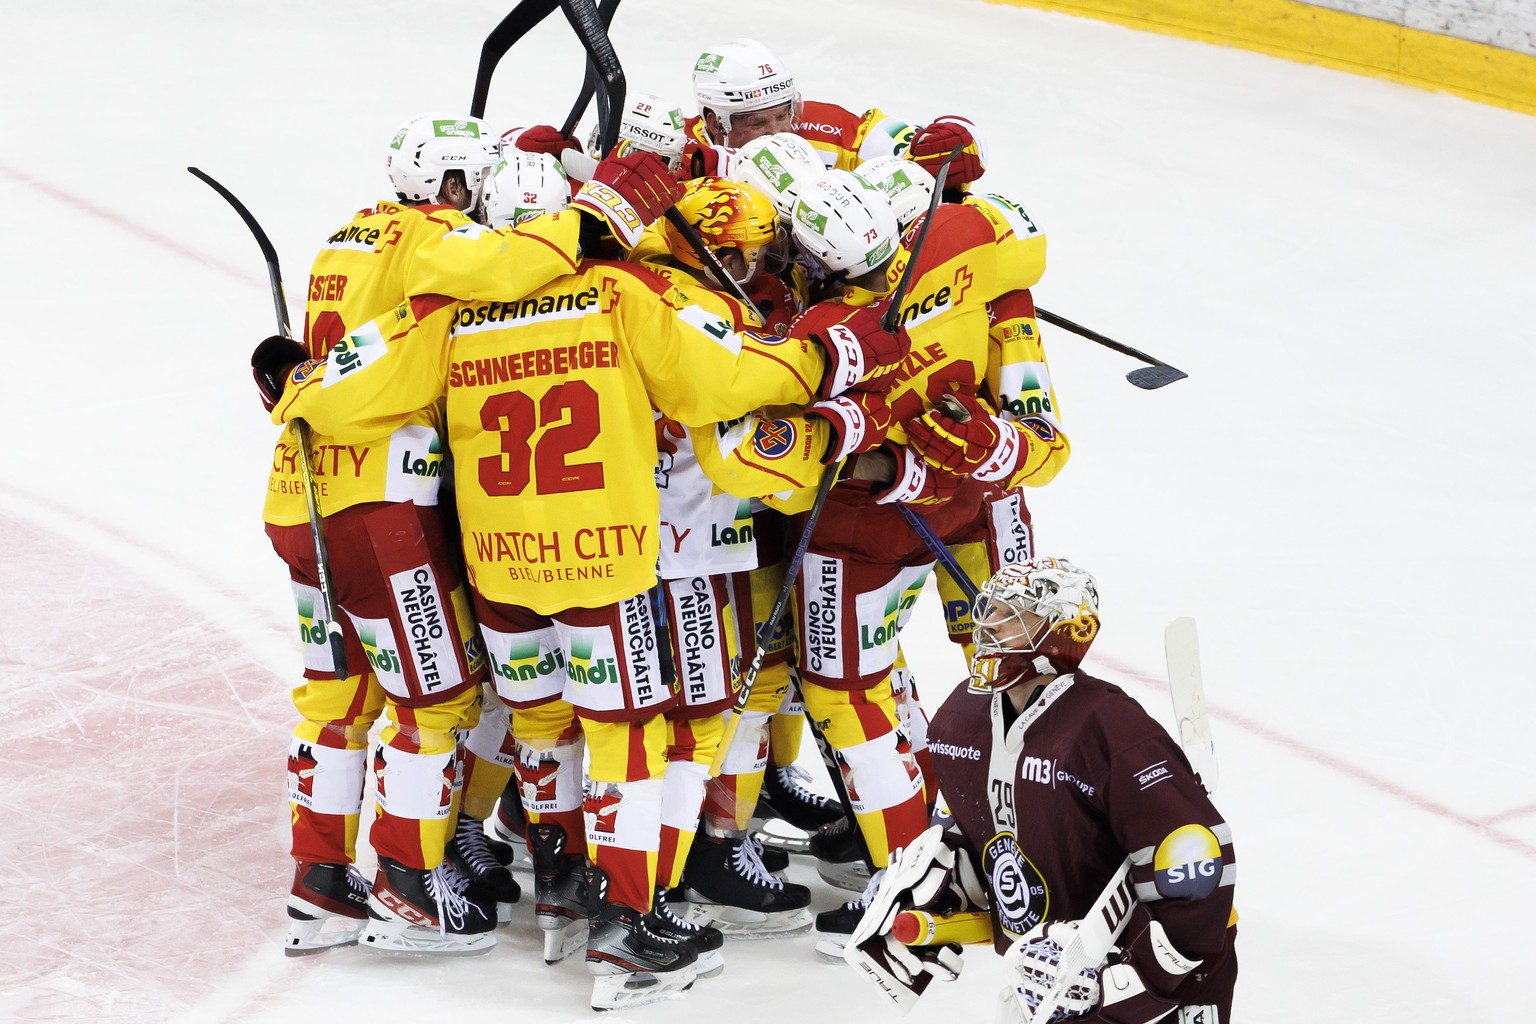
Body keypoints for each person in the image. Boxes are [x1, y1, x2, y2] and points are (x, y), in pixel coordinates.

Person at [253, 160, 910, 1007]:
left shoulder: (449, 317)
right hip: (601, 559)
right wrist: (833, 352)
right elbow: (733, 382)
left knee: (539, 719)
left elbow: (344, 389)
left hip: (500, 566)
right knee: (629, 735)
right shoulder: (624, 293)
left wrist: (290, 380)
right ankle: (628, 928)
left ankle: (562, 884)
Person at [267, 111, 594, 957]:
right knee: (437, 699)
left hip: (300, 498)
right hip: (383, 511)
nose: (481, 199)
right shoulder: (432, 236)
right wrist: (586, 213)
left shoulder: (347, 234)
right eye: (474, 183)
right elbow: (519, 260)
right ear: (448, 186)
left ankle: (320, 881)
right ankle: (408, 884)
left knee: (338, 696)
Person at [847, 558, 1238, 1024]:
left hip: (1167, 976)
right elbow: (986, 832)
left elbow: (1198, 870)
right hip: (1039, 978)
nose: (989, 626)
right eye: (991, 610)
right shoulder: (960, 720)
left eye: (1015, 615)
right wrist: (937, 890)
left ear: (1065, 632)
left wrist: (1123, 982)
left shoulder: (1111, 730)